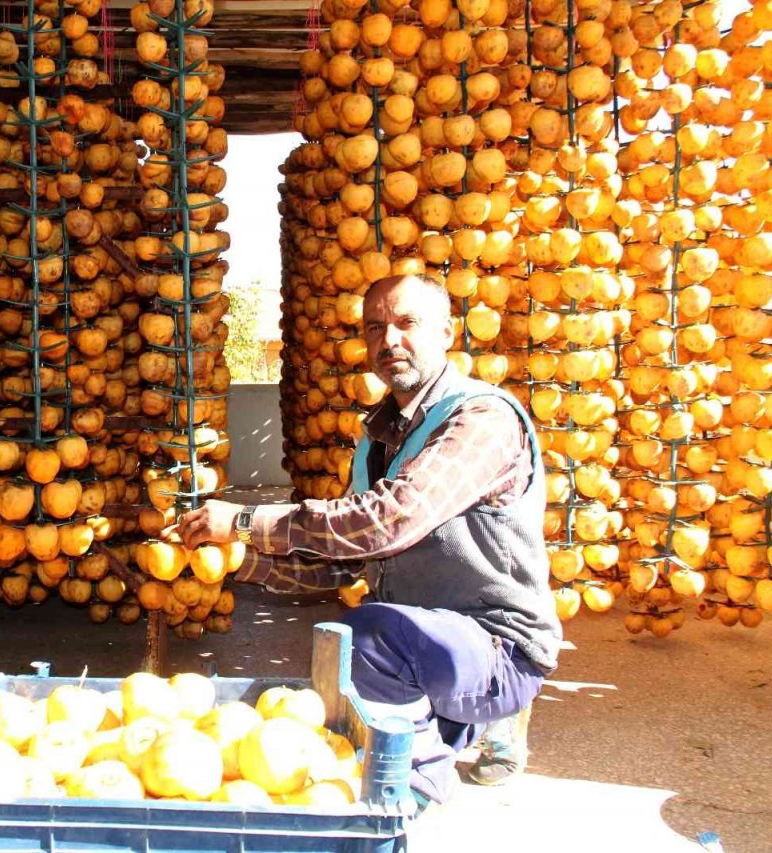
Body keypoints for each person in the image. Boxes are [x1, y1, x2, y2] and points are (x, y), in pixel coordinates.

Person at [178, 272, 561, 804]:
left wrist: (247, 521)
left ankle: (410, 793)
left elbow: (392, 520)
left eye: (407, 323)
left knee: (369, 640)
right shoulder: (381, 437)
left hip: (498, 645)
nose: (389, 341)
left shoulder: (482, 419)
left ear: (447, 332)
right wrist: (239, 561)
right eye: (376, 328)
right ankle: (445, 727)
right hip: (430, 639)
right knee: (351, 654)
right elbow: (344, 563)